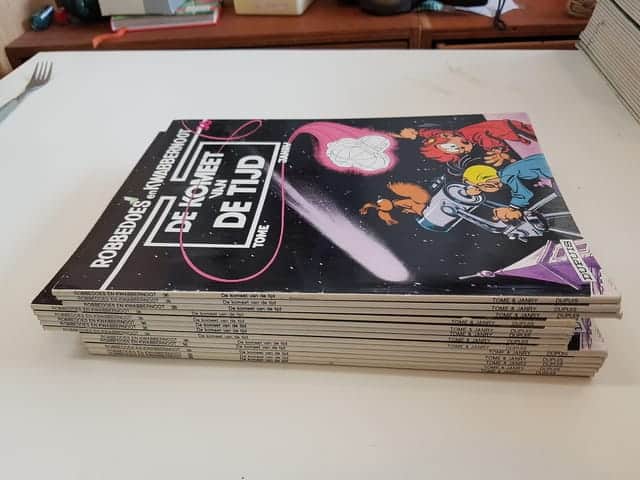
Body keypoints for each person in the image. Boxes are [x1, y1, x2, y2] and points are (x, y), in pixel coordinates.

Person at [395, 119, 536, 167]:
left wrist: (497, 149)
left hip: (516, 130)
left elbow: (482, 136)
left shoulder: (466, 133)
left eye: (461, 146)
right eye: (462, 150)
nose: (466, 149)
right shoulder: (457, 136)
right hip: (518, 137)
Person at [462, 153, 553, 222]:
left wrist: (511, 209)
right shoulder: (507, 172)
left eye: (480, 186)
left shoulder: (506, 175)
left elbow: (524, 194)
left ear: (486, 181)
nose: (482, 189)